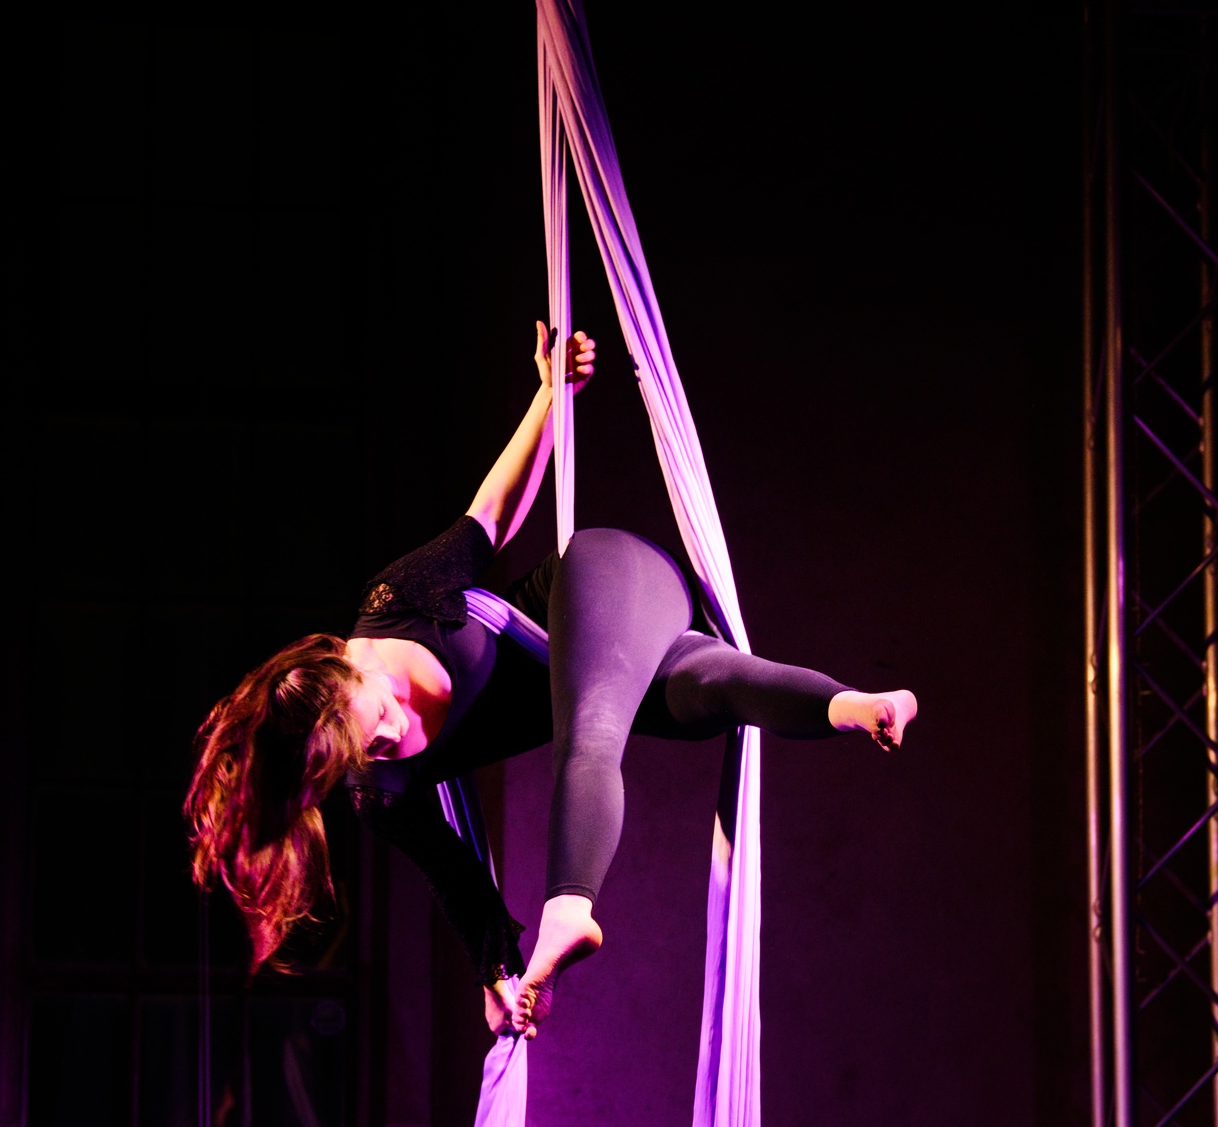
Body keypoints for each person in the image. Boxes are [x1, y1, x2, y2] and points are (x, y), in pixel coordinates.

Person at [186, 323, 917, 1037]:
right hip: (618, 678)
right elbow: (460, 884)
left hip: (603, 587)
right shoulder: (379, 792)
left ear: (352, 666)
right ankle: (855, 707)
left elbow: (490, 515)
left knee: (590, 730)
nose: (389, 735)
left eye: (374, 717)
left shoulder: (399, 603)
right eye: (362, 750)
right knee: (695, 698)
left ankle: (570, 907)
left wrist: (549, 395)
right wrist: (498, 979)